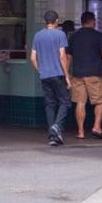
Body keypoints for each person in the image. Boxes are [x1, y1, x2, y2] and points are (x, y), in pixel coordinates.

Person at [67, 11, 102, 140]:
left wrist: (67, 73)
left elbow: (69, 57)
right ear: (93, 21)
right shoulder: (98, 36)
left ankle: (80, 132)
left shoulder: (73, 36)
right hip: (95, 74)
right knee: (101, 101)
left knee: (80, 102)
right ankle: (97, 127)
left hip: (78, 74)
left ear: (81, 22)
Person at [30, 10, 71, 147]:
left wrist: (40, 70)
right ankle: (57, 126)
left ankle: (53, 136)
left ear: (45, 21)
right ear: (57, 21)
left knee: (50, 104)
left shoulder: (37, 36)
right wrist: (67, 76)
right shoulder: (60, 34)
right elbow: (62, 56)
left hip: (44, 75)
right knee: (65, 101)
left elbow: (32, 58)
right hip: (57, 74)